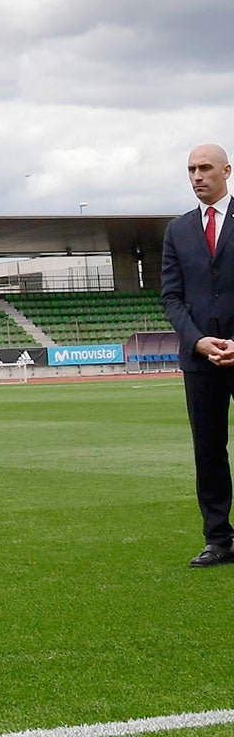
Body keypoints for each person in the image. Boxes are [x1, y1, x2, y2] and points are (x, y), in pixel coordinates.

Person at [164, 143, 234, 567]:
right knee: (208, 450)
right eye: (190, 169)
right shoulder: (178, 230)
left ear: (227, 170)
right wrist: (197, 340)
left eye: (205, 168)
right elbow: (171, 297)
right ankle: (219, 538)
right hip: (199, 359)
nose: (196, 176)